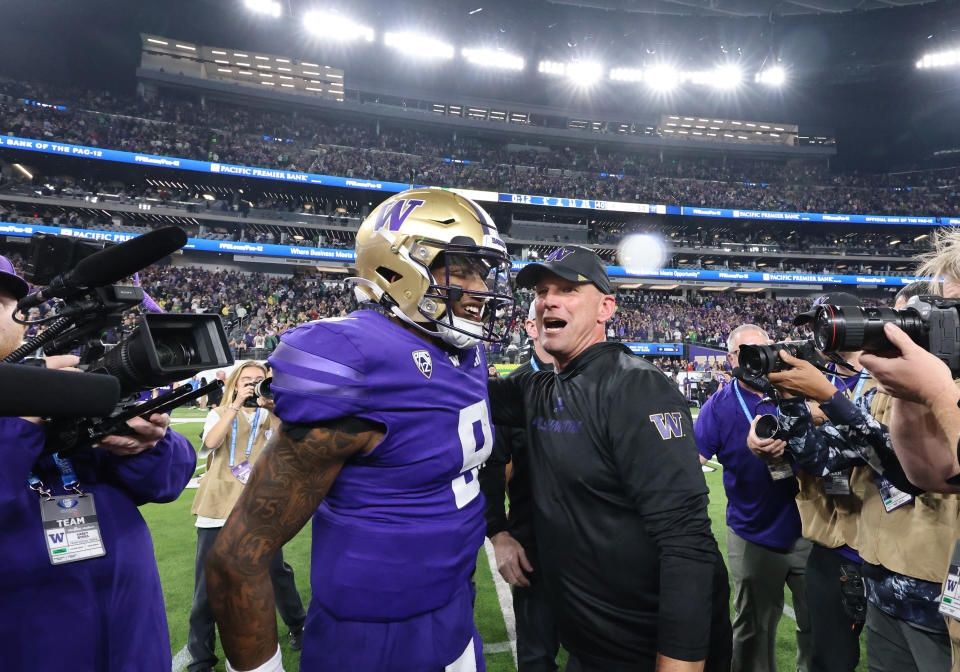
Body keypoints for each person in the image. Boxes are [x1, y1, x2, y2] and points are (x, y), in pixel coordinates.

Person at [205, 188, 515, 672]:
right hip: (372, 636)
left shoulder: (467, 353)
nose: (480, 288)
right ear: (400, 268)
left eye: (484, 271)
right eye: (463, 268)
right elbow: (237, 558)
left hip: (455, 606)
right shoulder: (356, 360)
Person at [488, 246, 731, 672]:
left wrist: (679, 664)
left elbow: (686, 541)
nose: (549, 300)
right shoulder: (544, 387)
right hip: (589, 644)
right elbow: (457, 397)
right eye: (543, 291)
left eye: (567, 289)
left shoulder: (636, 388)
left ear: (605, 307)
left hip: (643, 647)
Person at [0, 254, 196, 671]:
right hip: (30, 637)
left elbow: (167, 483)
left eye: (3, 303)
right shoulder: (42, 395)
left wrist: (148, 443)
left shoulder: (72, 378)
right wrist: (25, 412)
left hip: (133, 631)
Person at [695, 323, 812, 672]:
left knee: (820, 627)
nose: (757, 359)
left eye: (764, 350)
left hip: (813, 529)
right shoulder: (718, 405)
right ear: (731, 357)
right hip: (753, 533)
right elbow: (692, 461)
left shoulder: (798, 389)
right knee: (751, 632)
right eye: (746, 352)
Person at [187, 360, 307, 672]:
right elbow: (211, 442)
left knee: (277, 573)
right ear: (235, 385)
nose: (253, 385)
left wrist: (274, 405)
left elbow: (289, 441)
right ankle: (200, 656)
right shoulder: (220, 412)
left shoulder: (269, 415)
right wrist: (235, 406)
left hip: (257, 506)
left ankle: (298, 626)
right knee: (207, 584)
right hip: (218, 506)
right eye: (246, 381)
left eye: (259, 380)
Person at [479, 302, 559, 672]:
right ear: (529, 327)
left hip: (598, 550)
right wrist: (497, 532)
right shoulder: (513, 388)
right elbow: (493, 464)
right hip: (536, 544)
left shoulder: (601, 381)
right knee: (537, 656)